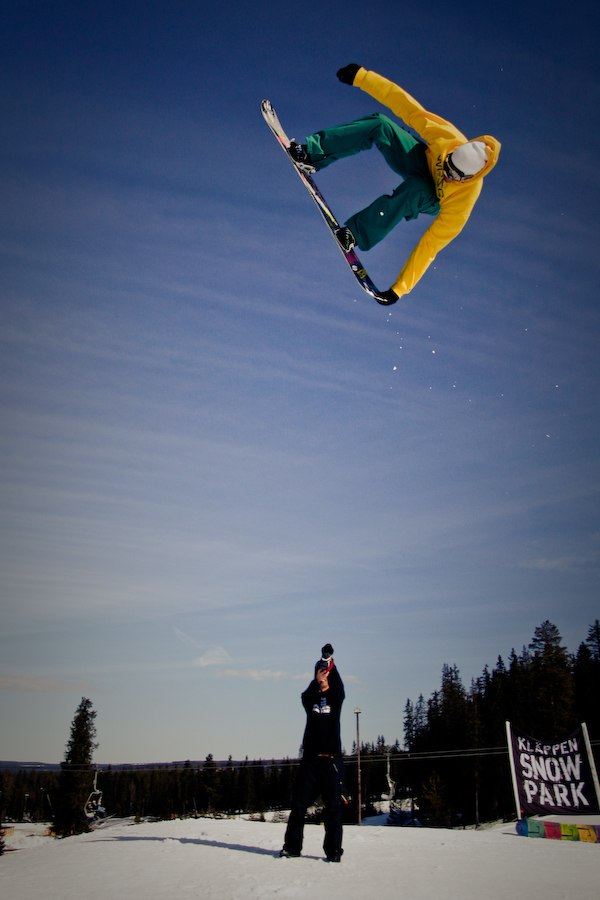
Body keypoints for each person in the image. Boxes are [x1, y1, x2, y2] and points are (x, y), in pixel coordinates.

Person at [289, 64, 501, 304]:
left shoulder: (464, 200)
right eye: (448, 166)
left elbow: (430, 245)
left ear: (468, 178)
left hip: (430, 196)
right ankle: (313, 155)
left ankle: (356, 234)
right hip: (420, 160)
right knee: (380, 124)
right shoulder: (447, 137)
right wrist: (363, 77)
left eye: (454, 176)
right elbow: (406, 106)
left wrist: (400, 288)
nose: (447, 175)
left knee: (416, 190)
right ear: (453, 152)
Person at [279, 643, 345, 862]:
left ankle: (334, 851)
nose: (324, 676)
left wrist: (329, 677)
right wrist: (317, 683)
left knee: (333, 809)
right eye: (320, 673)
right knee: (299, 806)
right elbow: (304, 697)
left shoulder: (336, 697)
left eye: (327, 673)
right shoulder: (311, 697)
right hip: (310, 761)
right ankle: (292, 847)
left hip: (331, 761)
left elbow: (339, 692)